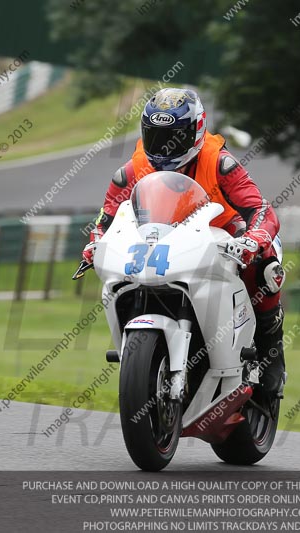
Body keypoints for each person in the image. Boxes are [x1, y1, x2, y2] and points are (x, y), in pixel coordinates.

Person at [82, 87, 286, 402]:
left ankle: (271, 351)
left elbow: (260, 208)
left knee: (265, 270)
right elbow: (107, 217)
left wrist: (254, 239)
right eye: (156, 136)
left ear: (197, 129)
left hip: (223, 234)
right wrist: (95, 242)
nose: (164, 147)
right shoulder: (134, 169)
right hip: (163, 239)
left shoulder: (219, 162)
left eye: (173, 136)